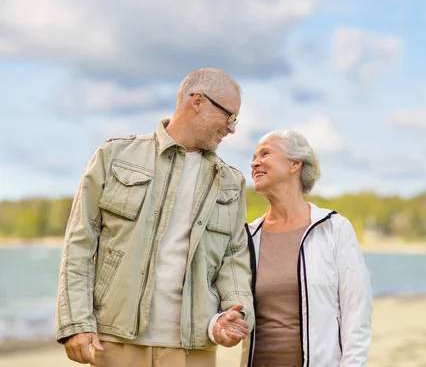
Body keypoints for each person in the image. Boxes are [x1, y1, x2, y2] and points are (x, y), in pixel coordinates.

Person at [55, 68, 254, 367]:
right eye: (229, 116)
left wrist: (236, 313)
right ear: (197, 101)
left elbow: (234, 260)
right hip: (115, 342)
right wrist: (76, 323)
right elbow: (80, 244)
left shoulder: (231, 182)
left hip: (194, 348)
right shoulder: (113, 157)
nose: (232, 129)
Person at [241, 130, 372, 367]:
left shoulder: (334, 229)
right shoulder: (248, 236)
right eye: (253, 156)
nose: (254, 162)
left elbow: (357, 311)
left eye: (265, 153)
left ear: (294, 163)